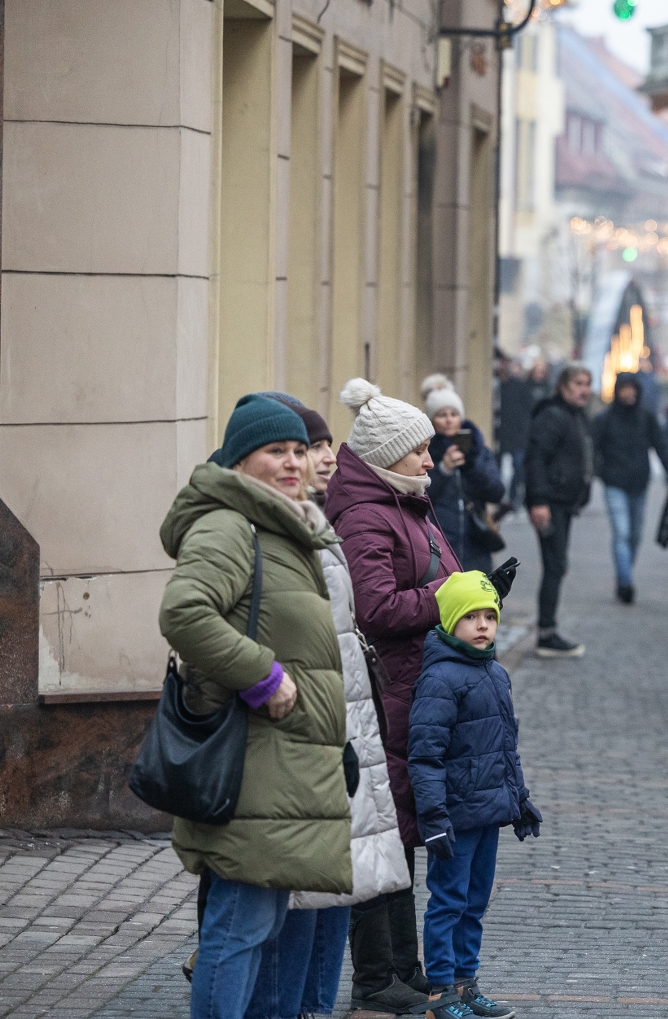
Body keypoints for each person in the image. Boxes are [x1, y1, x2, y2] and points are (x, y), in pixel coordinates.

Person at [158, 394, 351, 1019]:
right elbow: (184, 613)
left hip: (289, 762)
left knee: (262, 926)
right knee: (238, 927)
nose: (294, 462)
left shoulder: (284, 526)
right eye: (276, 451)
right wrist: (262, 677)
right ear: (241, 461)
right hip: (252, 761)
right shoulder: (229, 525)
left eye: (299, 450)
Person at [246, 397, 411, 1019]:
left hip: (346, 716)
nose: (318, 458)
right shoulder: (265, 530)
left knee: (341, 879)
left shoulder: (316, 521)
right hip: (301, 722)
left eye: (314, 447)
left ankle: (313, 1006)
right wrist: (266, 683)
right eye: (299, 449)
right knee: (299, 893)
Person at [324, 379, 463, 1015]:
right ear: (387, 455)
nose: (429, 460)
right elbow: (375, 607)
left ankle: (404, 970)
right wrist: (449, 599)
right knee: (380, 839)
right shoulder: (365, 515)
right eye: (419, 450)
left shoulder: (407, 502)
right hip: (384, 693)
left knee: (399, 836)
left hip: (411, 688)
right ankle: (376, 978)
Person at [408, 572, 542, 1019]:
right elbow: (425, 756)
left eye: (490, 616)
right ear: (450, 621)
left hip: (487, 812)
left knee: (475, 902)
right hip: (454, 816)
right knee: (448, 902)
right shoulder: (440, 678)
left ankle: (466, 984)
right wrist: (433, 817)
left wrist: (518, 799)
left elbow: (505, 746)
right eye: (471, 617)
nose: (483, 625)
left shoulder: (495, 673)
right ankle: (440, 992)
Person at [524, 365, 594, 657]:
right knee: (554, 566)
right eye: (578, 383)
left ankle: (548, 630)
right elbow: (535, 459)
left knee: (557, 565)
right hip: (551, 502)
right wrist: (538, 501)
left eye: (587, 384)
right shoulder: (552, 415)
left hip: (564, 503)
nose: (584, 390)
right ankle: (546, 633)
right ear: (563, 385)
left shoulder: (575, 415)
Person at [591, 371, 668, 604]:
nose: (628, 393)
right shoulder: (605, 419)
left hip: (640, 484)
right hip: (614, 484)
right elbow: (593, 448)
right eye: (624, 389)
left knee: (635, 535)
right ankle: (626, 583)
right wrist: (600, 472)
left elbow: (661, 446)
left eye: (632, 389)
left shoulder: (646, 418)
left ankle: (624, 573)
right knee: (622, 532)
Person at [422, 375, 506, 574]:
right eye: (442, 414)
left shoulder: (479, 451)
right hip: (438, 542)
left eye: (454, 413)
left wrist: (471, 466)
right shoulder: (424, 452)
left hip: (475, 544)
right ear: (432, 420)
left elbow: (496, 492)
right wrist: (443, 470)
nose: (449, 419)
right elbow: (421, 496)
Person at [495, 359, 536, 510]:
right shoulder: (495, 387)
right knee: (497, 466)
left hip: (517, 435)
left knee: (518, 466)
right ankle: (500, 497)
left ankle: (513, 497)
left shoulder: (519, 386)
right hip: (500, 435)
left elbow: (529, 409)